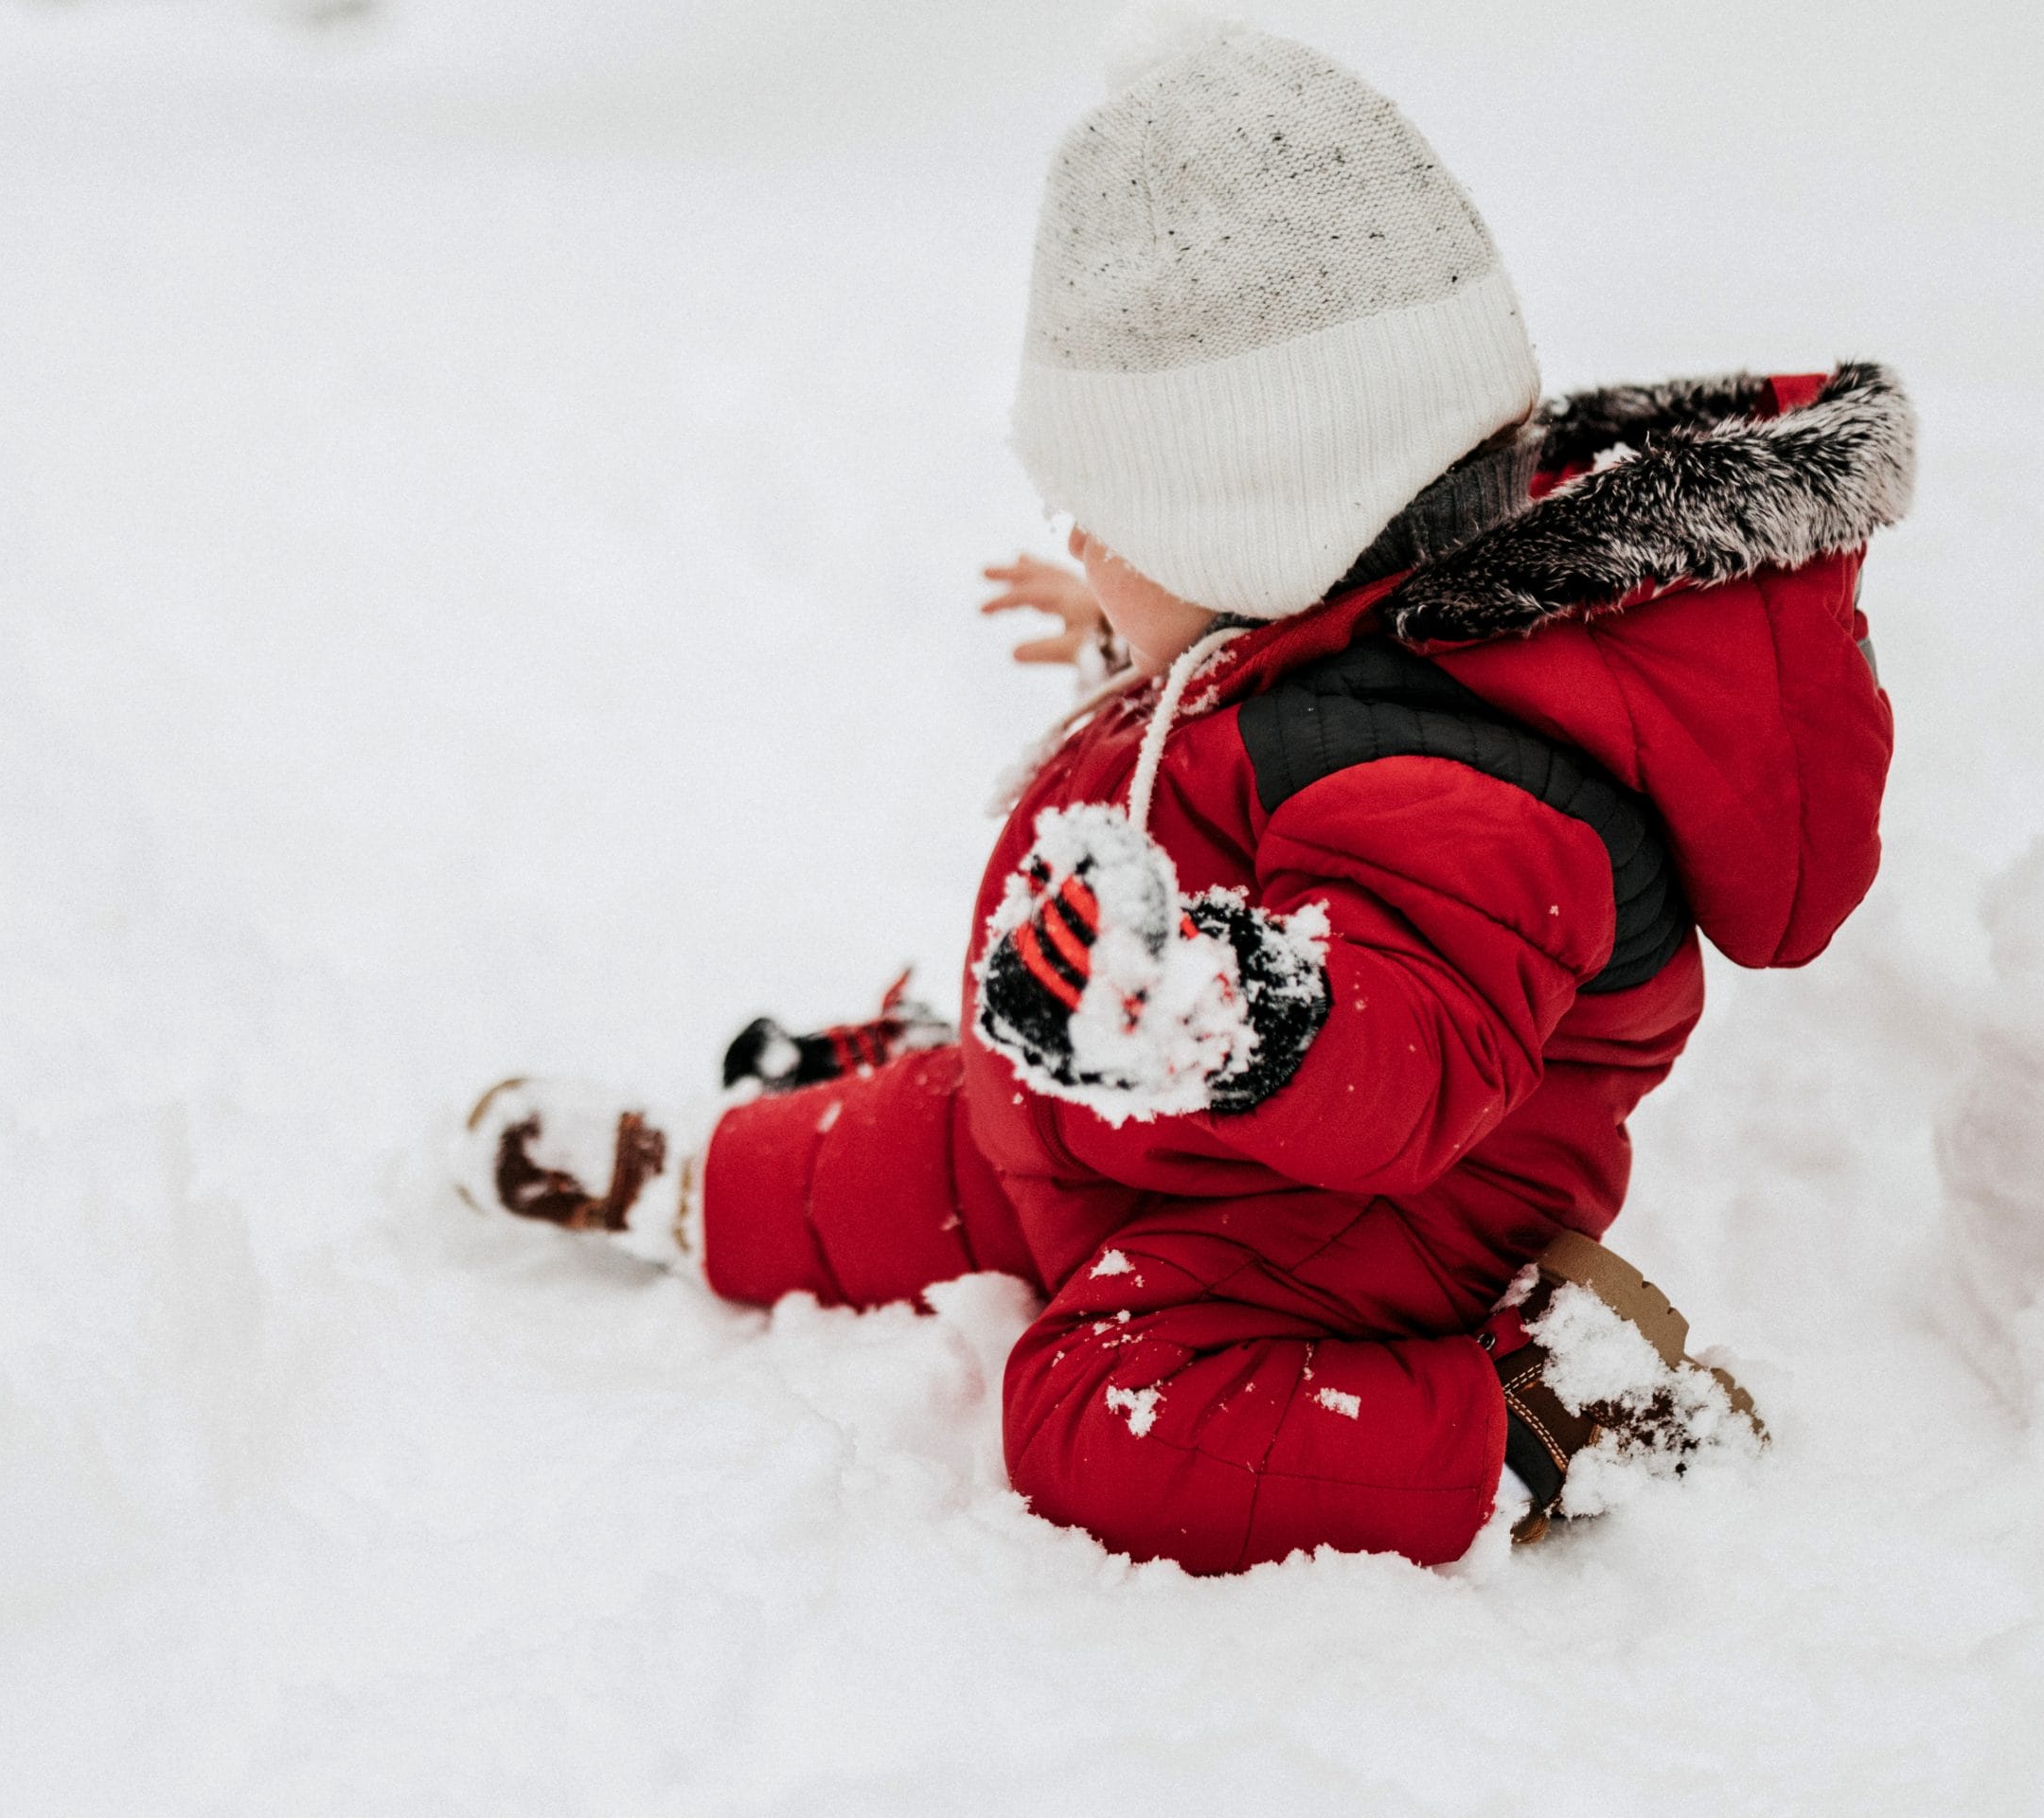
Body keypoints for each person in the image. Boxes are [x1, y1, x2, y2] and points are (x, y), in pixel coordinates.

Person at [454, 23, 1911, 1569]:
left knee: (1099, 1413)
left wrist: (1210, 1006)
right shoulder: (1329, 613)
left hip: (1356, 1215)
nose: (1076, 540)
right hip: (1168, 1116)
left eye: (1110, 524)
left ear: (1262, 529)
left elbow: (1413, 1053)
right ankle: (694, 1183)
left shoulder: (1478, 776)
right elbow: (1292, 684)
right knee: (952, 1144)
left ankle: (1537, 1422)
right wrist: (1129, 629)